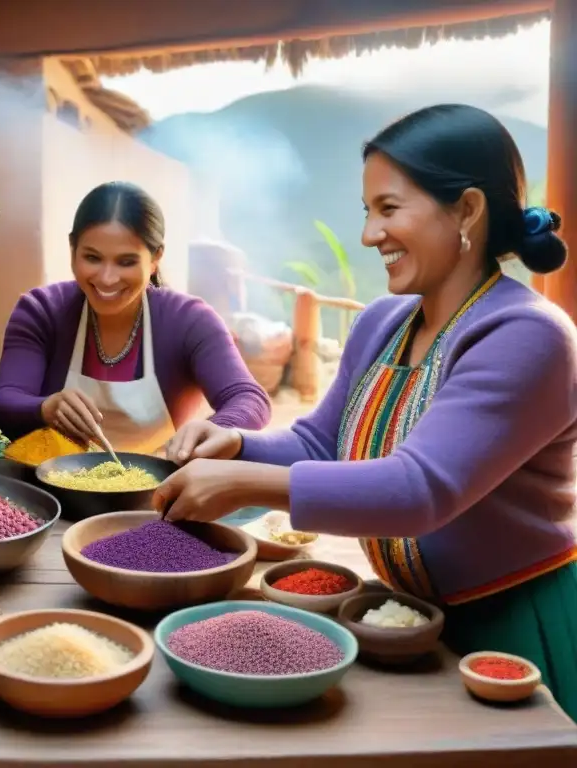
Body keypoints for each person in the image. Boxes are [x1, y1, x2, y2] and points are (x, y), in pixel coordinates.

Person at [156, 104, 577, 720]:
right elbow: (320, 443)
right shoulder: (385, 321)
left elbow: (422, 489)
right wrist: (235, 446)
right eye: (366, 211)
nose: (368, 234)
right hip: (400, 616)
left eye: (388, 209)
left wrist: (245, 484)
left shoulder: (528, 336)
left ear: (465, 209)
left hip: (508, 622)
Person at [0, 181, 271, 454]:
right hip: (52, 487)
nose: (107, 278)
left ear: (156, 257)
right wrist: (45, 408)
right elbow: (3, 403)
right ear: (72, 249)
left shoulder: (189, 321)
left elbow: (249, 399)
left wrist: (210, 431)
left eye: (126, 262)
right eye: (92, 258)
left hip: (157, 493)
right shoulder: (42, 311)